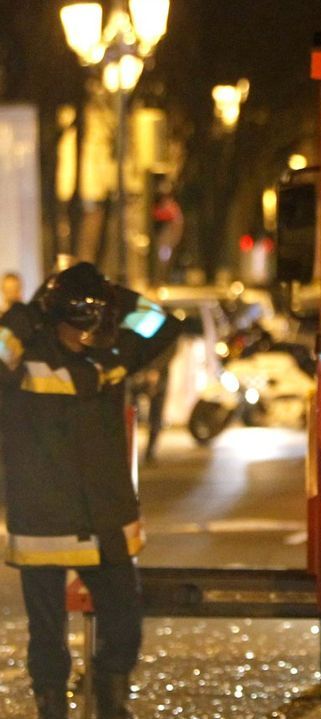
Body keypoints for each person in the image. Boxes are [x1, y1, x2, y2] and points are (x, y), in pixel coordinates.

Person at [0, 262, 179, 719]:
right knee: (47, 636)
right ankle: (52, 707)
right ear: (55, 317)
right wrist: (28, 313)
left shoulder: (110, 354)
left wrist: (107, 290)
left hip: (103, 518)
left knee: (125, 624)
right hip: (45, 520)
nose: (84, 335)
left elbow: (161, 322)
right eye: (77, 323)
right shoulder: (23, 361)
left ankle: (109, 700)